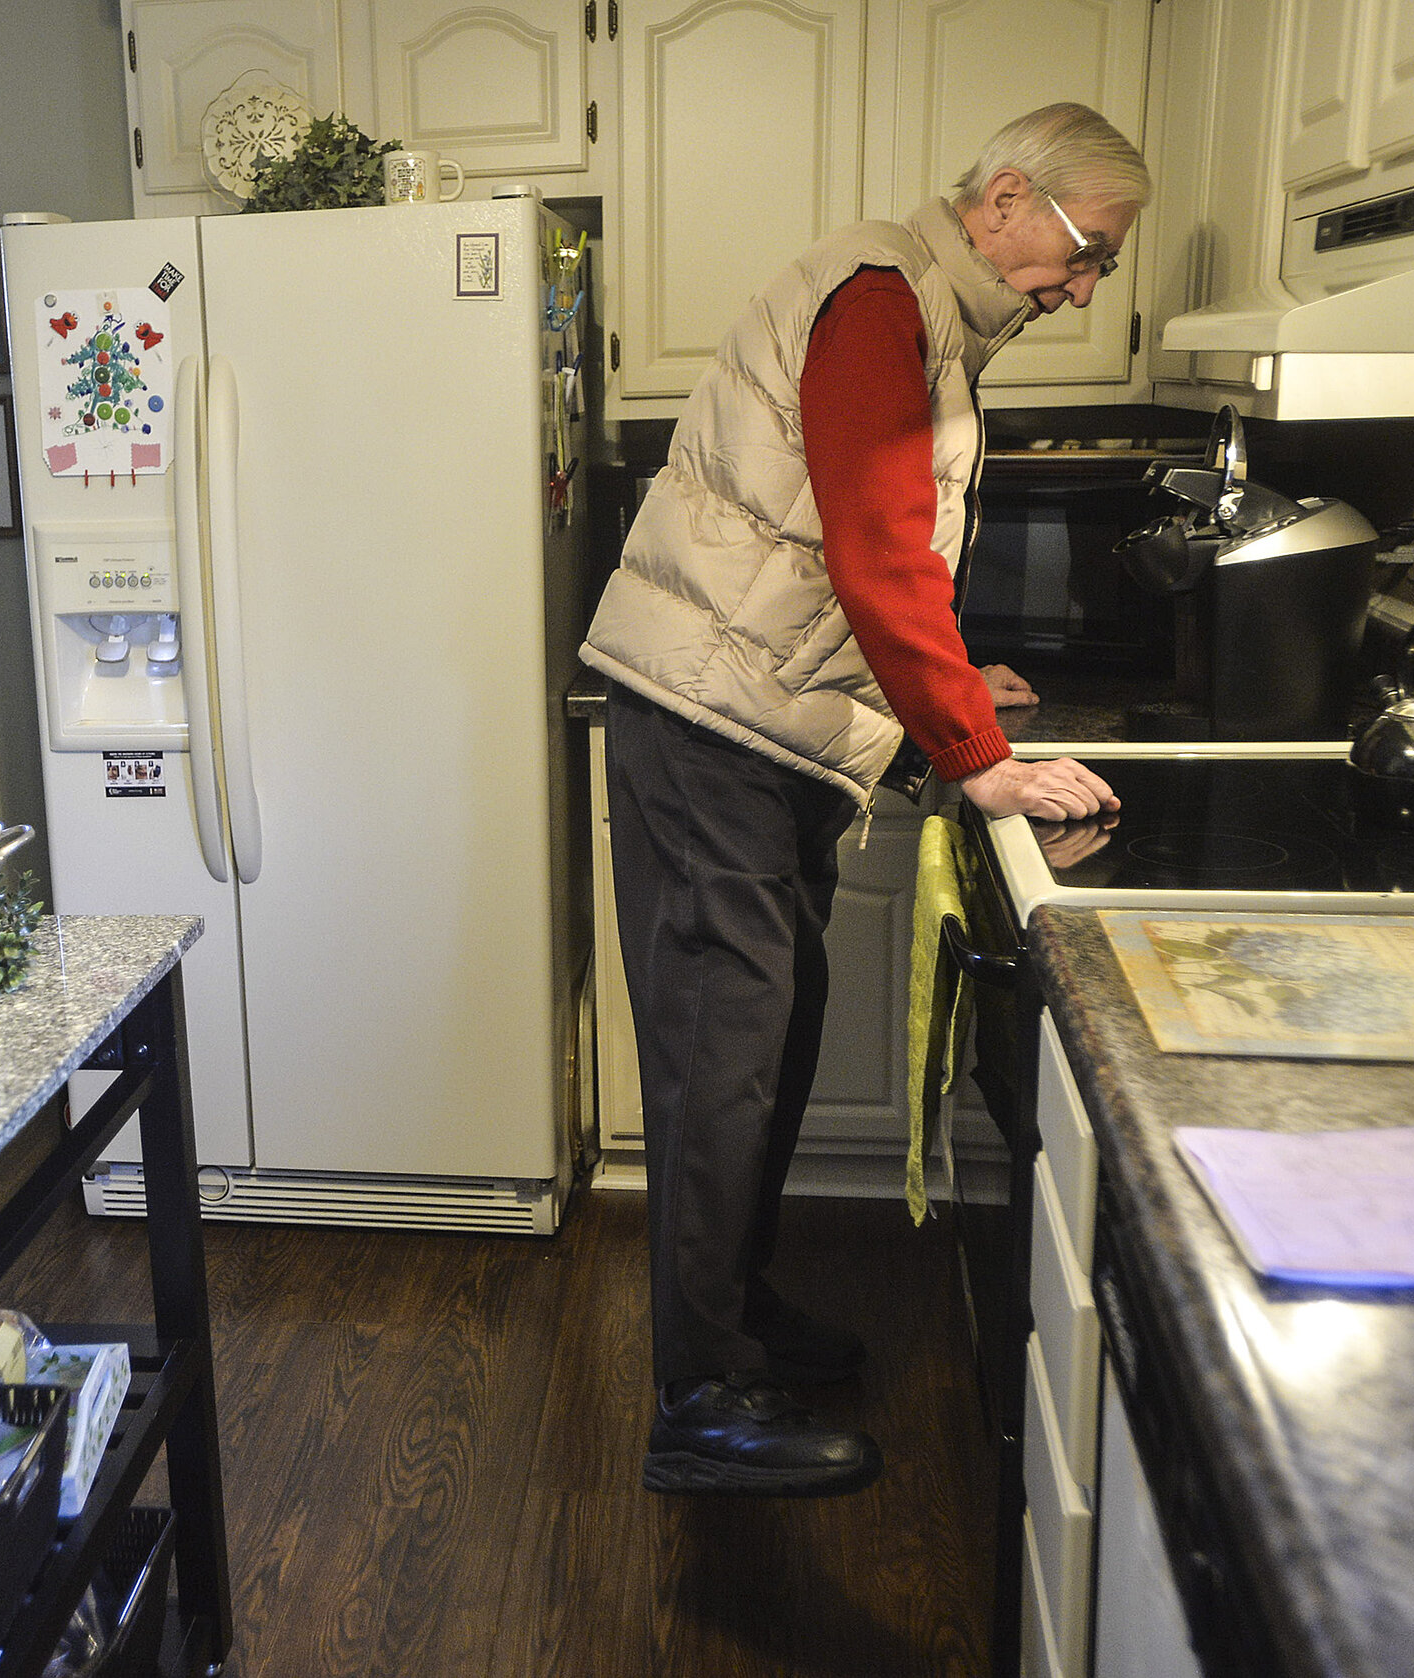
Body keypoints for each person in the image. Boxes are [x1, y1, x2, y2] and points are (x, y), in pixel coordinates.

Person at [580, 103, 1144, 1498]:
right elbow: (875, 538)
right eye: (1083, 254)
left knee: (764, 1039)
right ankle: (697, 1400)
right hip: (710, 728)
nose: (1081, 291)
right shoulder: (879, 298)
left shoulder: (927, 320)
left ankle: (738, 1312)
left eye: (1102, 275)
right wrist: (967, 745)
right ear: (1006, 199)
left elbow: (872, 554)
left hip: (750, 725)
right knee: (726, 1057)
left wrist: (957, 676)